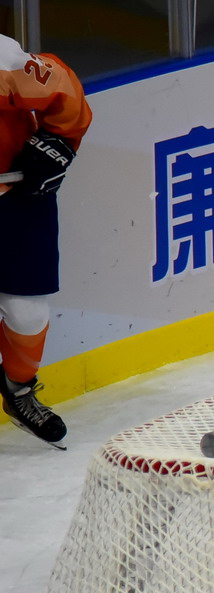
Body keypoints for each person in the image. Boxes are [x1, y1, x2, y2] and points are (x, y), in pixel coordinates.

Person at [0, 34, 91, 448]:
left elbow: (64, 90)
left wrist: (58, 143)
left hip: (17, 199)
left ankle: (18, 391)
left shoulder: (3, 59)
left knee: (27, 314)